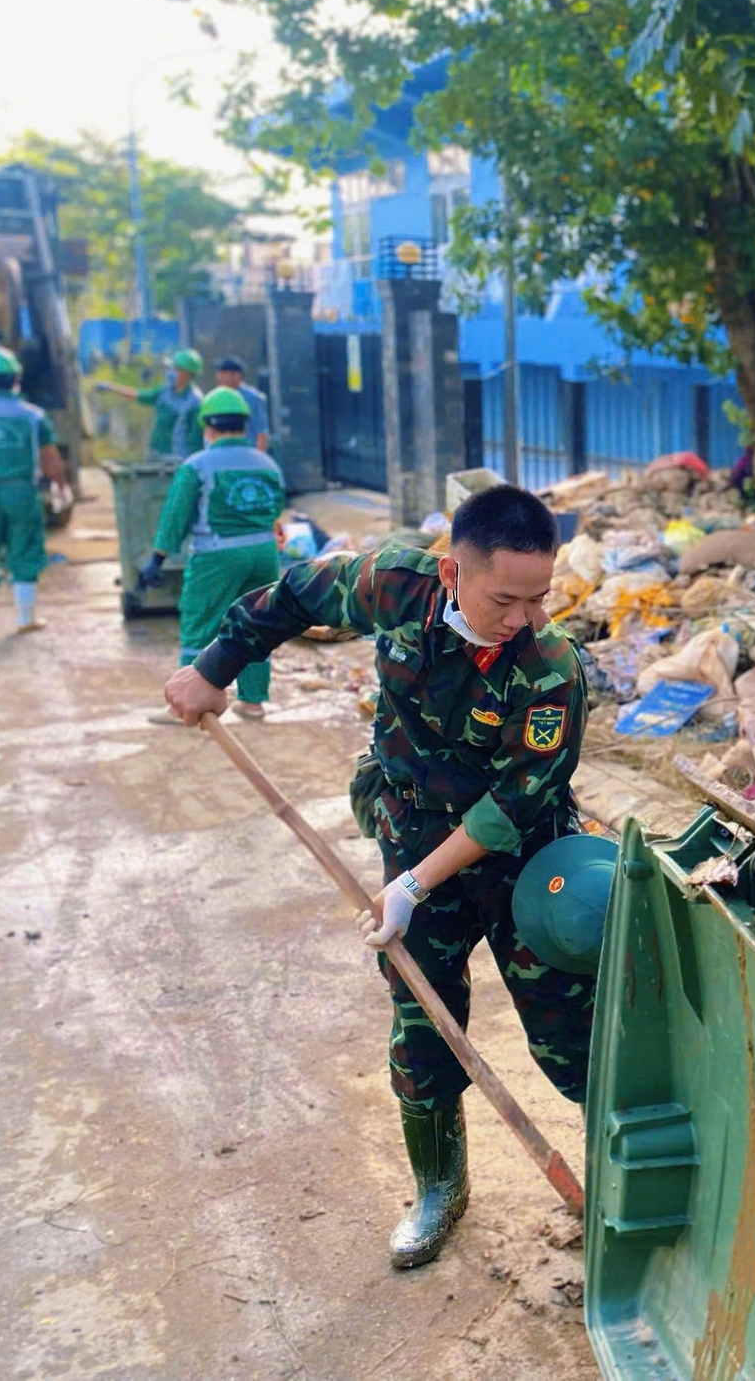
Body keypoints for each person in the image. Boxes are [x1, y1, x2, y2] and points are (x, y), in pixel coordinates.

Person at [161, 485, 594, 1268]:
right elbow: (293, 593)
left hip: (522, 854)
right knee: (423, 1021)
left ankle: (628, 1180)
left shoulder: (551, 666)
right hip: (413, 822)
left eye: (541, 596)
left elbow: (512, 805)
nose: (525, 617)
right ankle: (440, 1189)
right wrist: (212, 667)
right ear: (451, 568)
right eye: (506, 598)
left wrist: (412, 886)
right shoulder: (393, 584)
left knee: (572, 1028)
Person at [139, 388, 285, 720]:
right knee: (257, 623)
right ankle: (253, 701)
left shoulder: (198, 465)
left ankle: (184, 707)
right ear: (244, 425)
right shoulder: (267, 463)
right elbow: (276, 506)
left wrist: (157, 558)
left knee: (200, 622)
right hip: (264, 552)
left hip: (217, 555)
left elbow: (176, 516)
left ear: (208, 427)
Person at [0, 343, 70, 632]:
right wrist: (61, 486)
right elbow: (50, 456)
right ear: (16, 380)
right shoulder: (33, 415)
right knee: (25, 551)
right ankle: (25, 618)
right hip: (21, 492)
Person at [97, 348, 206, 460]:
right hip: (156, 452)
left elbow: (195, 440)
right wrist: (112, 388)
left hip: (177, 458)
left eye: (176, 369)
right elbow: (141, 396)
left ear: (187, 373)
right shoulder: (165, 391)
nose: (171, 372)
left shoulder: (195, 401)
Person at [214, 356, 271, 453]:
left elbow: (261, 432)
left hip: (247, 454)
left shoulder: (253, 398)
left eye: (223, 373)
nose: (219, 376)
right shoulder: (217, 396)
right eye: (219, 373)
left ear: (237, 375)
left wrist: (260, 458)